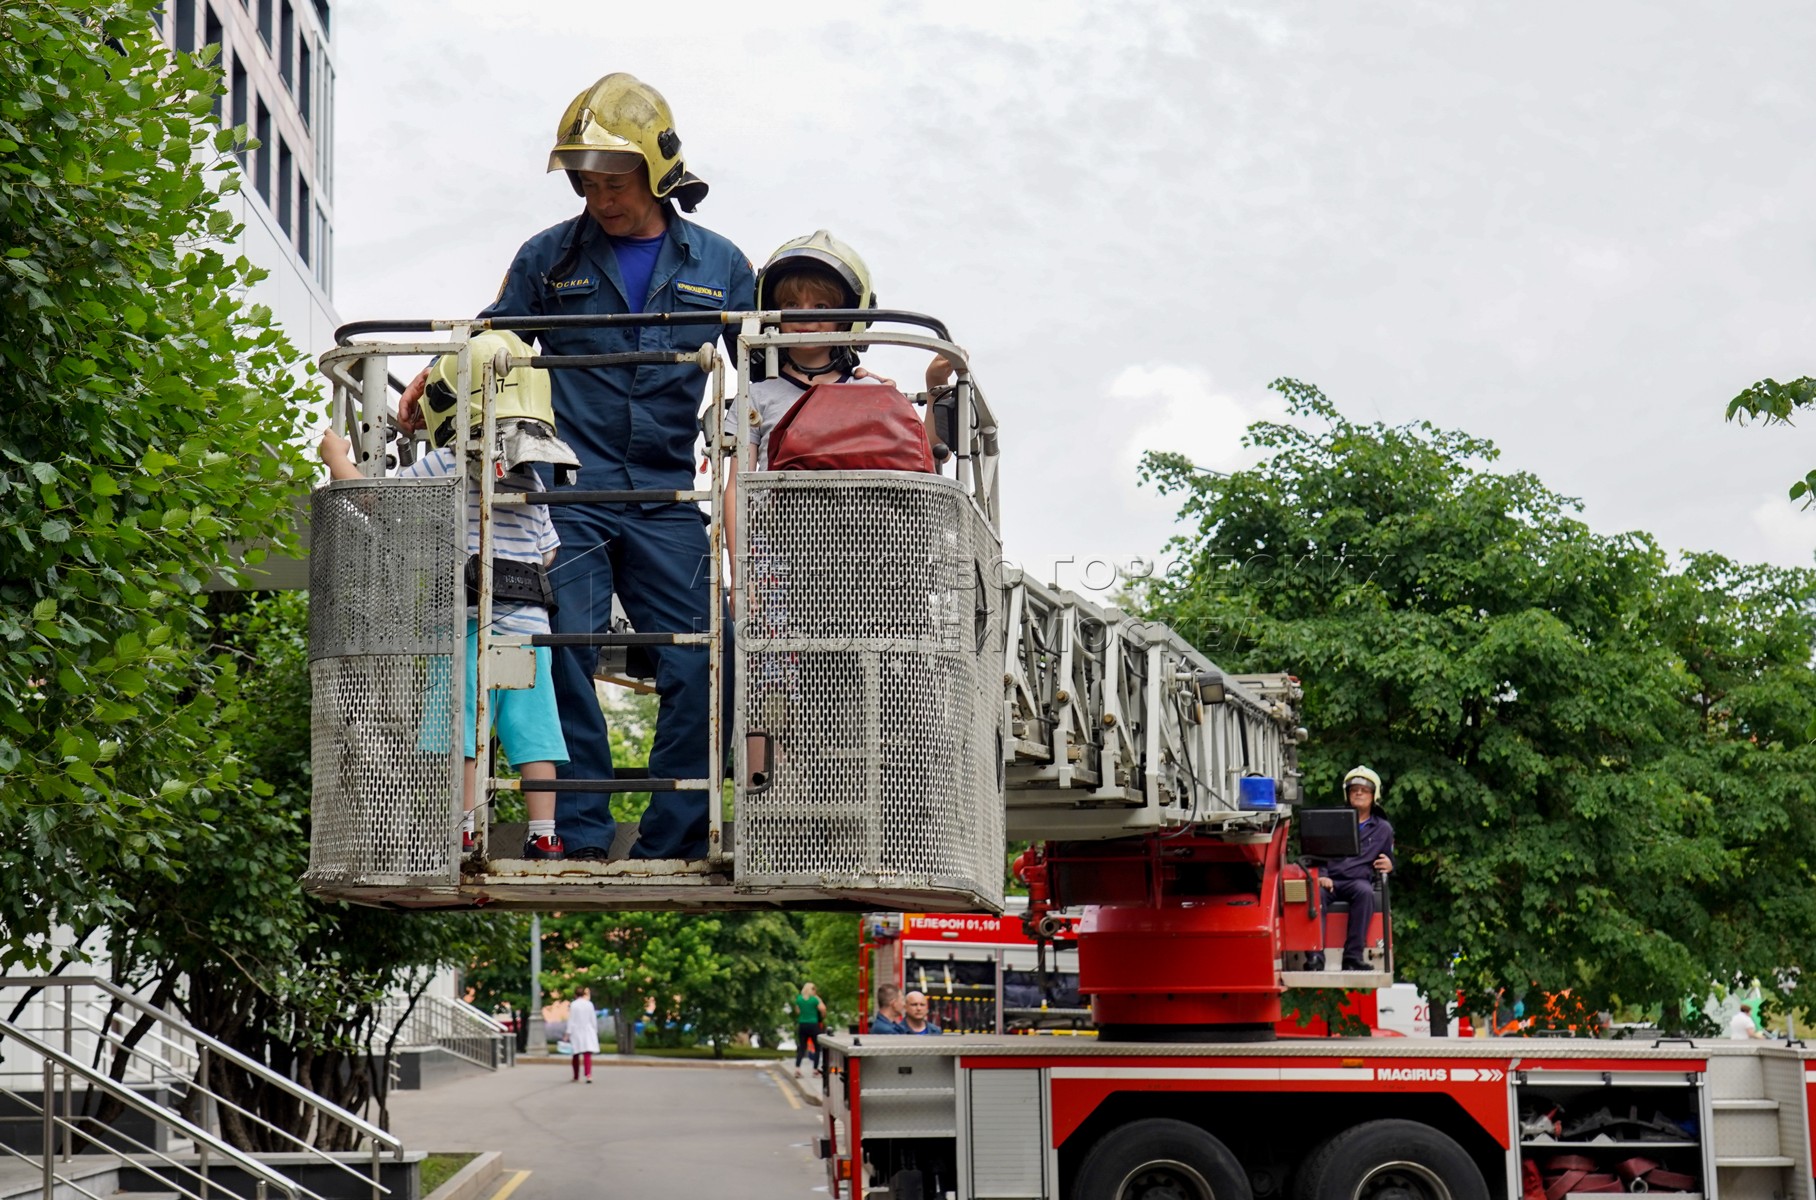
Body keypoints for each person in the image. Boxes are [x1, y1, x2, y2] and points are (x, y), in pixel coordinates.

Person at [402, 73, 756, 863]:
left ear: (658, 174)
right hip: (570, 496)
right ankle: (584, 834)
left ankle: (675, 837)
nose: (601, 198)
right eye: (587, 183)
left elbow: (759, 377)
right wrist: (436, 371)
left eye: (616, 182)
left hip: (669, 495)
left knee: (710, 651)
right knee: (556, 647)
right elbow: (491, 343)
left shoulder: (723, 266)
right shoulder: (547, 258)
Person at [318, 330, 572, 860]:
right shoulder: (534, 477)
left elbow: (374, 500)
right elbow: (549, 552)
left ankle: (464, 828)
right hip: (528, 628)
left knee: (462, 728)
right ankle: (543, 832)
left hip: (464, 625)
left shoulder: (448, 465)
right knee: (533, 731)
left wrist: (335, 456)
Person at [1316, 765, 1396, 971]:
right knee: (1315, 894)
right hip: (1330, 879)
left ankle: (1352, 956)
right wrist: (1323, 876)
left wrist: (1390, 864)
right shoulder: (1333, 821)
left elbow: (1389, 859)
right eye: (1354, 790)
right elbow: (1317, 854)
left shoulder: (1383, 828)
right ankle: (1315, 957)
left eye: (1364, 790)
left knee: (1365, 892)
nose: (1359, 793)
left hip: (1357, 881)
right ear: (1347, 794)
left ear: (1373, 795)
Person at [791, 982, 825, 1078]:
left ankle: (797, 1069)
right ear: (812, 990)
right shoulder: (814, 1000)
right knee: (817, 1048)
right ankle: (815, 1070)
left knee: (802, 1047)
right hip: (813, 1024)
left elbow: (797, 1011)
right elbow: (823, 1009)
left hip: (802, 1024)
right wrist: (822, 1016)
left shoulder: (799, 999)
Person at [567, 986, 600, 1082]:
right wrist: (595, 1030)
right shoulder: (589, 1004)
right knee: (587, 1054)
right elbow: (593, 1019)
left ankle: (576, 1076)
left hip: (576, 1031)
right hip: (588, 1030)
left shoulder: (573, 1005)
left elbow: (571, 1020)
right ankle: (588, 1074)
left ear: (575, 994)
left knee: (575, 1054)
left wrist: (568, 1032)